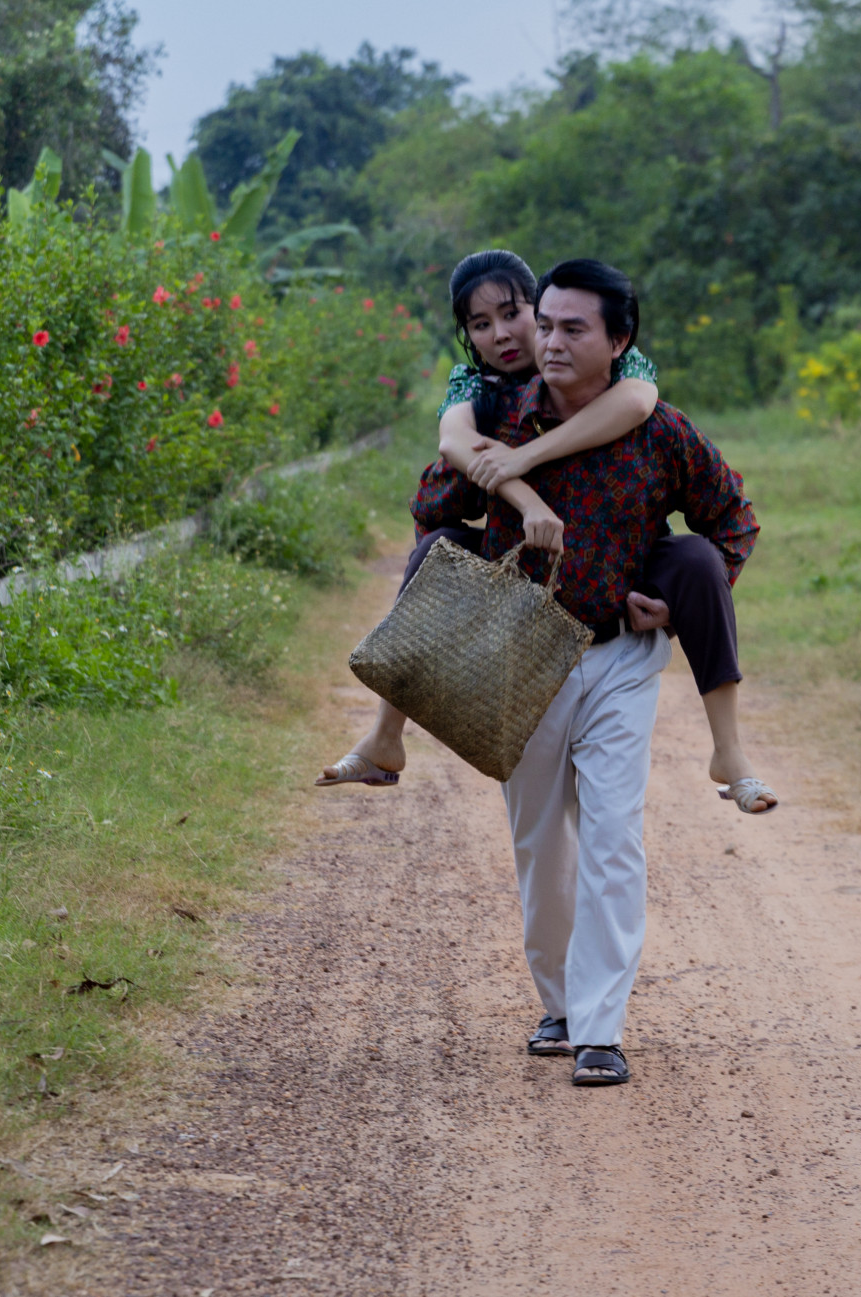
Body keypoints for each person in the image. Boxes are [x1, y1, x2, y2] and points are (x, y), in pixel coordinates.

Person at [411, 258, 758, 1087]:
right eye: (549, 324)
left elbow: (731, 520)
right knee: (541, 843)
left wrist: (676, 608)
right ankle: (561, 1003)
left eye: (572, 328)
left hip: (619, 657)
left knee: (612, 835)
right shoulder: (497, 413)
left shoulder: (660, 429)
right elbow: (433, 514)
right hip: (521, 653)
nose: (549, 340)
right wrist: (482, 470)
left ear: (620, 342)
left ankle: (601, 1027)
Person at [317, 250, 773, 812]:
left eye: (515, 315)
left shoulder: (624, 380)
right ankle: (386, 734)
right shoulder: (483, 394)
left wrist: (522, 456)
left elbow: (637, 403)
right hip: (524, 614)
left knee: (699, 562)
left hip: (622, 588)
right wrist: (517, 487)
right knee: (437, 549)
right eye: (480, 325)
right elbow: (450, 453)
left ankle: (729, 750)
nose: (505, 335)